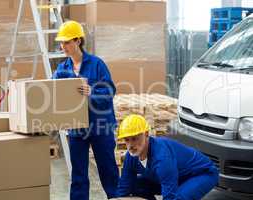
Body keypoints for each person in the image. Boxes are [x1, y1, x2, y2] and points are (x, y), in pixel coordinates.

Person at [52, 20, 119, 200]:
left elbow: (110, 91)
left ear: (78, 41)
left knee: (108, 171)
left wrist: (92, 92)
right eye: (61, 42)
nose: (62, 46)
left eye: (66, 42)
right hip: (77, 128)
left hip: (100, 126)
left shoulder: (97, 64)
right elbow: (53, 92)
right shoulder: (62, 69)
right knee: (78, 175)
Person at [116, 114, 219, 200]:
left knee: (178, 198)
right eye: (127, 140)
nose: (130, 145)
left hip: (202, 174)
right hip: (175, 176)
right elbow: (124, 187)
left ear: (146, 134)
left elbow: (169, 197)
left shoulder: (162, 158)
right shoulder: (131, 156)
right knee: (135, 185)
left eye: (134, 139)